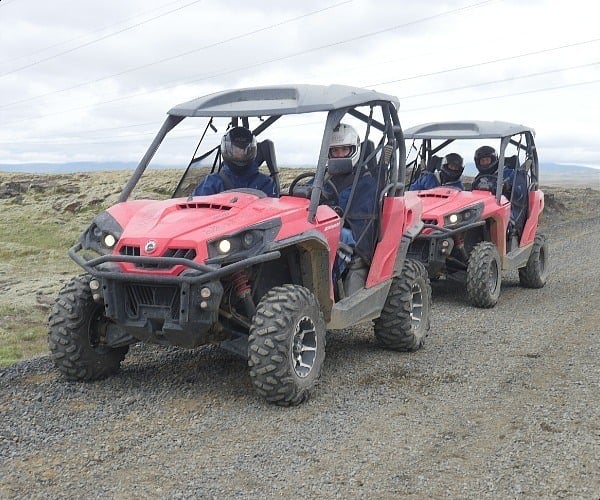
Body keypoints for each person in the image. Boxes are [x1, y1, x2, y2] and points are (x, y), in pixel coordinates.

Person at [325, 123, 378, 295]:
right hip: (324, 225)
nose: (339, 155)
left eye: (344, 150)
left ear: (354, 150)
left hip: (351, 233)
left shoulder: (365, 181)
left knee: (340, 237)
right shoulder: (324, 176)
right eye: (335, 151)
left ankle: (327, 293)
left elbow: (362, 217)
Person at [193, 126, 278, 197]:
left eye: (246, 150)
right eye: (236, 150)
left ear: (253, 151)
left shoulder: (265, 183)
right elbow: (197, 211)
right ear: (226, 150)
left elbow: (273, 211)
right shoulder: (212, 183)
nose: (241, 154)